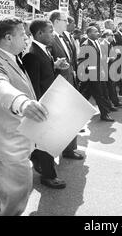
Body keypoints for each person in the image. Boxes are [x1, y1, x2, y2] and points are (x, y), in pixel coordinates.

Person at [0, 17, 49, 216]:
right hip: (6, 144)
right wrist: (22, 103)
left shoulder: (7, 55)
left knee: (6, 194)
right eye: (23, 34)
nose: (27, 38)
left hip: (13, 140)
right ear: (8, 37)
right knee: (16, 197)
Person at [22, 20, 67, 190]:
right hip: (43, 105)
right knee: (45, 140)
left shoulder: (43, 51)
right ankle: (49, 176)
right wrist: (42, 108)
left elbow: (44, 75)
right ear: (40, 34)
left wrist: (55, 66)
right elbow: (33, 86)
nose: (53, 34)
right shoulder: (32, 54)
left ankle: (37, 159)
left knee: (44, 141)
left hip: (50, 102)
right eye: (50, 31)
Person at [48, 10, 84, 160]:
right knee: (62, 120)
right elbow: (48, 64)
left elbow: (71, 59)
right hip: (60, 85)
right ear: (56, 21)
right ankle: (59, 150)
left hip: (71, 81)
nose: (68, 23)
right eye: (64, 20)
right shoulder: (49, 39)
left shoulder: (66, 37)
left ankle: (70, 149)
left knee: (71, 117)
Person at [79, 26, 115, 122]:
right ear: (89, 34)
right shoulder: (85, 44)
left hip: (99, 72)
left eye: (98, 31)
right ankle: (104, 114)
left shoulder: (96, 42)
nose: (98, 33)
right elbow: (82, 61)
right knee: (99, 94)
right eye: (95, 32)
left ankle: (106, 110)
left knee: (98, 93)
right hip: (92, 75)